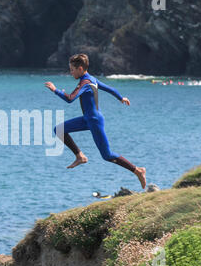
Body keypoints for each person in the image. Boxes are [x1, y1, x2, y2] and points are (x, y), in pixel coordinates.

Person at [45, 54, 146, 189]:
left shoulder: (85, 83)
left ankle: (137, 170)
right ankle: (80, 156)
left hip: (94, 121)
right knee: (59, 129)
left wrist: (55, 90)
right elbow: (110, 89)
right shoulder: (91, 79)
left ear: (80, 68)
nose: (71, 72)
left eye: (72, 70)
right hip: (88, 119)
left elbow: (70, 99)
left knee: (107, 155)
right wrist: (121, 97)